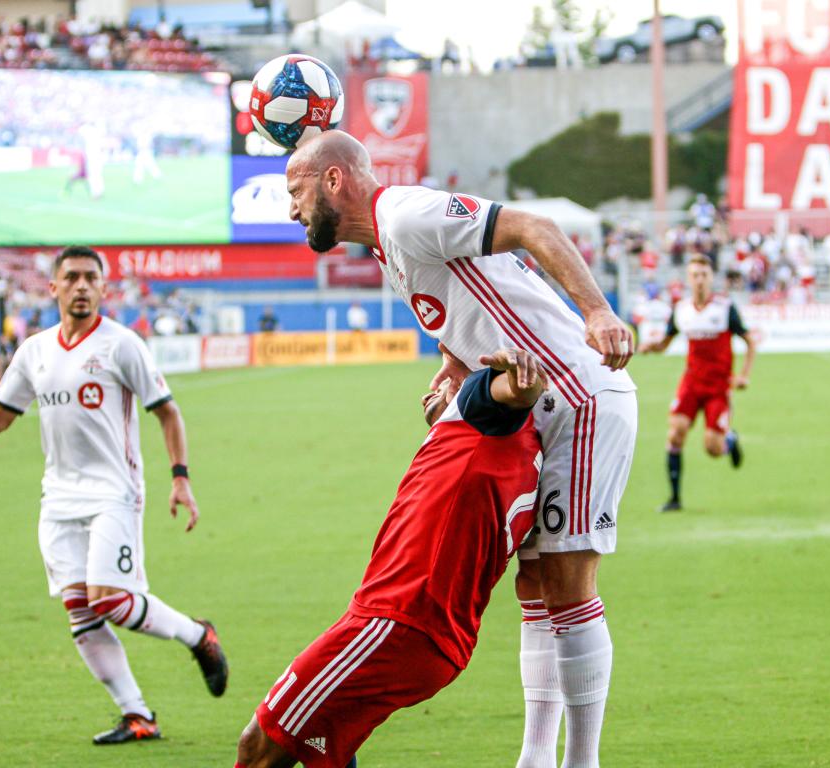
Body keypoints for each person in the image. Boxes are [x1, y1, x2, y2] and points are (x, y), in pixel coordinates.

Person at [284, 130, 637, 768]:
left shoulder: (407, 213)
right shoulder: (388, 248)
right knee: (532, 586)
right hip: (530, 408)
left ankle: (581, 761)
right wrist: (452, 367)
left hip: (580, 396)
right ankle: (535, 757)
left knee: (568, 585)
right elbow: (468, 302)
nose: (291, 208)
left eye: (296, 189)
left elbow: (533, 226)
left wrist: (598, 312)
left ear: (333, 180)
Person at [0, 246, 228, 745]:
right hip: (57, 499)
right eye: (71, 278)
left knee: (110, 600)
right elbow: (0, 414)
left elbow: (167, 411)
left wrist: (180, 477)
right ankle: (138, 715)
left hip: (114, 493)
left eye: (90, 278)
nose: (81, 286)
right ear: (54, 288)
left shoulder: (122, 345)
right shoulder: (34, 351)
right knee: (81, 612)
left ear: (103, 288)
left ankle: (198, 636)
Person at [236, 348, 547, 768]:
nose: (438, 375)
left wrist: (519, 381)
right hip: (424, 631)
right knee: (325, 742)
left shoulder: (482, 405)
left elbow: (514, 392)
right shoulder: (517, 451)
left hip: (398, 620)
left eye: (448, 357)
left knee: (260, 745)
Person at [639, 254, 756, 512]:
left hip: (718, 387)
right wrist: (651, 346)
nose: (700, 280)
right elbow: (666, 343)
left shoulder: (725, 308)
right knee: (675, 432)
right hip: (691, 383)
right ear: (689, 278)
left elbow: (750, 340)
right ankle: (674, 498)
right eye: (695, 275)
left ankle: (730, 440)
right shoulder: (682, 309)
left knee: (713, 449)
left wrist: (744, 376)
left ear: (711, 277)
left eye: (704, 274)